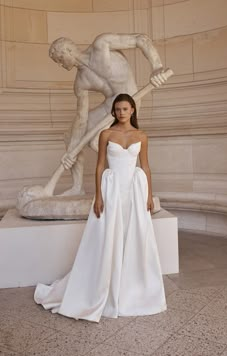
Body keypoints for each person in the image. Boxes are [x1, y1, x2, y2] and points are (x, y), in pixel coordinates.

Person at [34, 93, 167, 322]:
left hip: (134, 193)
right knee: (108, 237)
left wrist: (149, 195)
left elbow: (145, 167)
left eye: (125, 109)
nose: (121, 113)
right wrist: (98, 197)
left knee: (134, 237)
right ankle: (102, 287)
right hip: (112, 191)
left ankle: (133, 289)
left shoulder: (141, 136)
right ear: (113, 112)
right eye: (117, 109)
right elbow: (99, 167)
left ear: (133, 110)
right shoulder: (106, 134)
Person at [49, 33, 167, 195]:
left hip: (129, 101)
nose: (60, 65)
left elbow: (141, 40)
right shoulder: (81, 83)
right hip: (111, 104)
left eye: (60, 60)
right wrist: (71, 151)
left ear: (68, 51)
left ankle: (122, 183)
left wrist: (157, 67)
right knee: (71, 137)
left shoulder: (101, 44)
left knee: (97, 142)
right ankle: (77, 188)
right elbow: (81, 119)